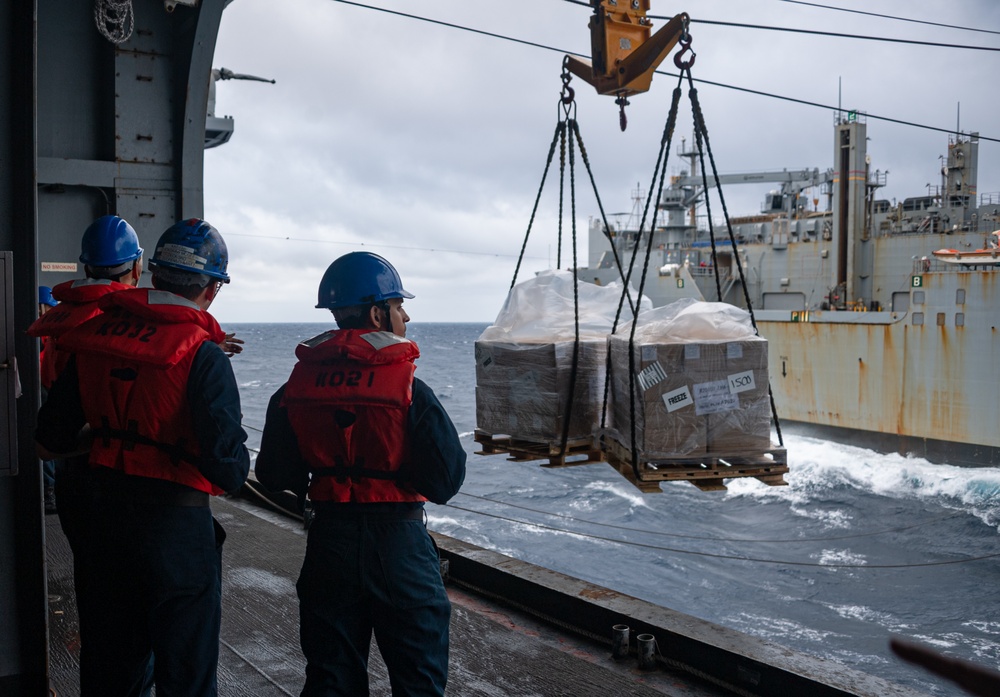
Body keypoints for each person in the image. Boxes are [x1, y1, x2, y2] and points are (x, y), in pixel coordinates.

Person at [35, 218, 250, 697]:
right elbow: (230, 471)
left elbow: (49, 438)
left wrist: (110, 436)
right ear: (211, 289)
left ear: (153, 273)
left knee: (110, 668)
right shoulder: (204, 355)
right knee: (186, 675)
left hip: (102, 526)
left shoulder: (94, 339)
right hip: (176, 534)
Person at [255, 251, 466, 697]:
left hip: (329, 543)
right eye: (398, 306)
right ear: (376, 313)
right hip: (399, 546)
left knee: (331, 679)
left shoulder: (295, 388)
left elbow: (272, 474)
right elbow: (445, 483)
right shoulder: (411, 390)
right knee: (419, 681)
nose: (405, 316)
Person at [29, 218, 145, 515]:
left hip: (70, 468)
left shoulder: (67, 315)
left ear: (86, 268)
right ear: (136, 268)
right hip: (113, 467)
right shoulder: (127, 320)